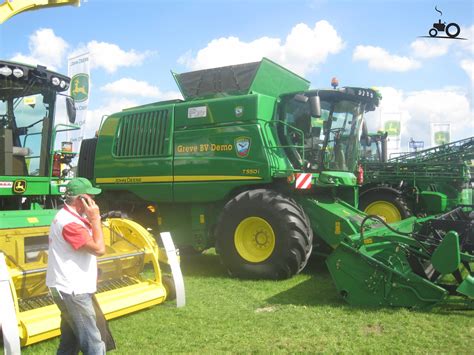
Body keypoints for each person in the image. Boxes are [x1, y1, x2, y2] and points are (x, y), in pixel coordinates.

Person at [46, 177, 106, 355]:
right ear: (81, 200)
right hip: (73, 291)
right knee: (93, 343)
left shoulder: (67, 217)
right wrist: (95, 219)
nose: (94, 201)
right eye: (90, 196)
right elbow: (99, 249)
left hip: (66, 289)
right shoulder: (70, 223)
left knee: (70, 341)